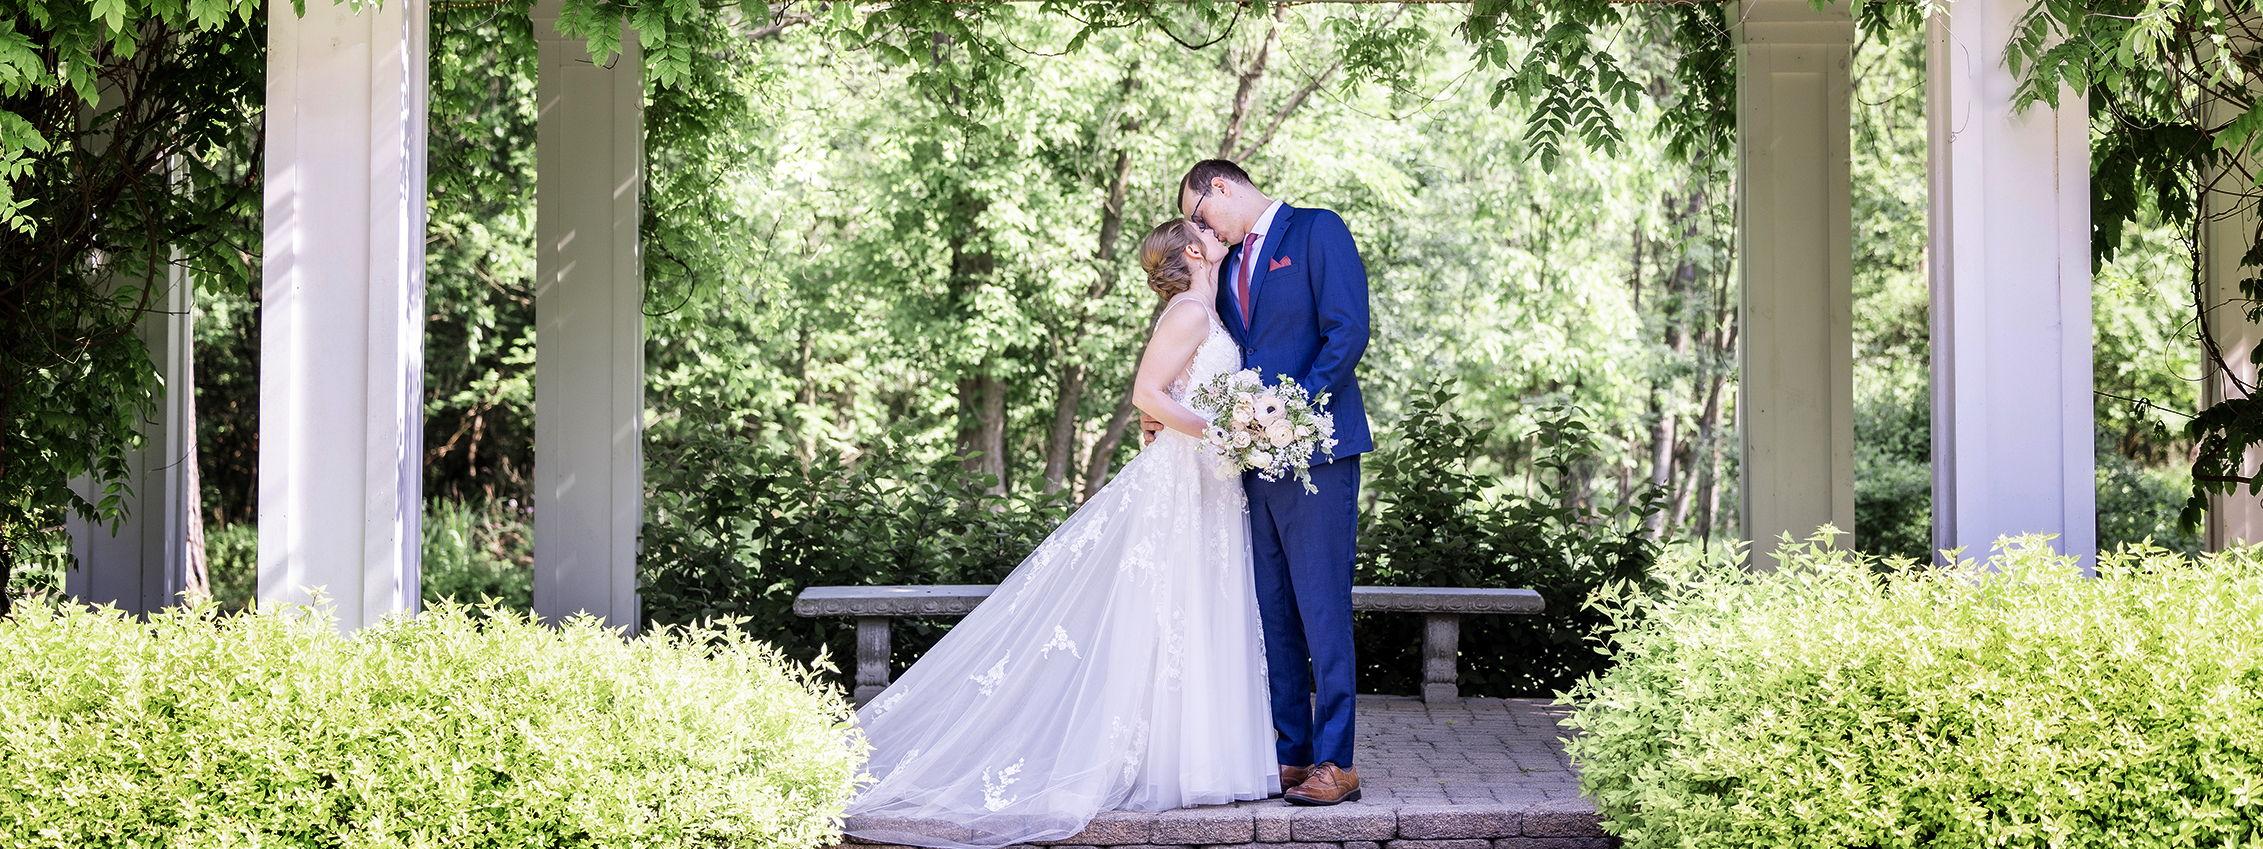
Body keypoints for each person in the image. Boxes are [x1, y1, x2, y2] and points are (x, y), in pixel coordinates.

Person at [842, 218, 1277, 849]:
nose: (1216, 233)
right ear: (1193, 250)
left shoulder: (1210, 311)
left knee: (1199, 606)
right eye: (1203, 230)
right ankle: (1164, 762)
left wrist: (1229, 427)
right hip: (1183, 477)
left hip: (1209, 480)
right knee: (1168, 606)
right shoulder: (1188, 312)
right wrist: (1222, 432)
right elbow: (1147, 394)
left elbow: (1181, 394)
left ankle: (1200, 761)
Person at [1150, 159, 1373, 806]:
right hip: (1247, 460)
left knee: (1322, 607)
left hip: (1317, 454)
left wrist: (1292, 408)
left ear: (1220, 186)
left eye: (1200, 214)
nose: (1201, 230)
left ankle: (1337, 761)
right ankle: (1291, 752)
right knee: (1272, 608)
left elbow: (1346, 330)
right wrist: (1163, 407)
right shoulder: (1224, 267)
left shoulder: (1317, 231)